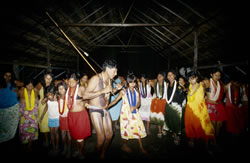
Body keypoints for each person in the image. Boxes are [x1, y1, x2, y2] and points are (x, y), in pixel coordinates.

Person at [82, 59, 122, 159]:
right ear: (108, 69)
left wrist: (116, 89)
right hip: (95, 109)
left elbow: (110, 91)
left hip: (105, 109)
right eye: (115, 71)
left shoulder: (109, 80)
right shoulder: (95, 79)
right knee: (101, 137)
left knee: (110, 135)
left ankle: (102, 153)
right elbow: (85, 95)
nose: (116, 74)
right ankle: (96, 153)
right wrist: (102, 90)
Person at [107, 73, 147, 153]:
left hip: (135, 113)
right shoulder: (123, 91)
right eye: (131, 82)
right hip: (125, 114)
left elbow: (139, 102)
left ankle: (141, 147)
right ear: (127, 82)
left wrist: (135, 107)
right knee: (126, 129)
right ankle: (124, 145)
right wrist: (106, 107)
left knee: (138, 129)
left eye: (134, 82)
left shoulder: (137, 91)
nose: (132, 84)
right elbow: (115, 101)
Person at [185, 71, 215, 148]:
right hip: (190, 108)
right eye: (189, 79)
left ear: (196, 78)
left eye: (192, 78)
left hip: (200, 108)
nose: (191, 80)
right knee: (190, 124)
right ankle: (192, 138)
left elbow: (209, 88)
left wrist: (207, 96)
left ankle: (206, 140)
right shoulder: (189, 86)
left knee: (204, 124)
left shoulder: (202, 83)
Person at [67, 73, 91, 159]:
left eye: (73, 82)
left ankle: (81, 153)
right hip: (71, 116)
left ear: (77, 81)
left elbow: (88, 98)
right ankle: (78, 150)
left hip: (80, 116)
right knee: (75, 136)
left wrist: (84, 103)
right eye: (69, 82)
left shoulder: (81, 88)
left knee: (80, 137)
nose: (71, 83)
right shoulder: (68, 89)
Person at [164, 69, 186, 145]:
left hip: (176, 107)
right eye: (168, 75)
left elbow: (183, 97)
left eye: (171, 74)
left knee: (176, 122)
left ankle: (177, 136)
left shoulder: (178, 85)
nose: (169, 76)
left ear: (174, 76)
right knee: (171, 120)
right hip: (169, 106)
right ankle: (174, 133)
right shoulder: (167, 85)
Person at [203, 68, 226, 138]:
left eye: (219, 75)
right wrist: (205, 96)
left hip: (219, 105)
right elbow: (203, 88)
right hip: (210, 105)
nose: (217, 77)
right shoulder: (208, 82)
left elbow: (223, 91)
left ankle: (216, 139)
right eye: (215, 75)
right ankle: (211, 140)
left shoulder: (221, 83)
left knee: (219, 123)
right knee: (212, 123)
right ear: (211, 75)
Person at [18, 79, 39, 151]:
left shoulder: (36, 91)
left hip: (33, 116)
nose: (30, 86)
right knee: (24, 131)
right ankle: (24, 146)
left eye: (31, 84)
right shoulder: (21, 91)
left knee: (32, 131)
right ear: (25, 85)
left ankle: (30, 146)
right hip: (24, 117)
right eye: (28, 84)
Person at [0, 71, 19, 143]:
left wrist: (18, 88)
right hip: (1, 109)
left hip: (13, 108)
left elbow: (24, 84)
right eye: (6, 75)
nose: (7, 77)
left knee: (11, 130)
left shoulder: (13, 83)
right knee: (2, 128)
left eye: (9, 76)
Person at [40, 86, 60, 155]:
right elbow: (46, 107)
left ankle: (57, 146)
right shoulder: (47, 100)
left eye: (50, 94)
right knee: (51, 133)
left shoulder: (57, 99)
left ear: (54, 93)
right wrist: (42, 116)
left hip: (57, 118)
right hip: (50, 118)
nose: (49, 96)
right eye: (47, 94)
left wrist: (57, 97)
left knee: (56, 133)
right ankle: (53, 147)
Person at [37, 72, 54, 147]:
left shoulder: (52, 86)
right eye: (47, 78)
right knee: (43, 124)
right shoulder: (40, 85)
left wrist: (46, 98)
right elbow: (34, 91)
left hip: (49, 106)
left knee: (49, 124)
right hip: (41, 106)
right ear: (44, 78)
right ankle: (47, 141)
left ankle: (51, 140)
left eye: (50, 78)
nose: (49, 80)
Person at [150, 72, 167, 138]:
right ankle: (159, 130)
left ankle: (163, 129)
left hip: (164, 102)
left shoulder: (166, 84)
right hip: (156, 102)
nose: (159, 77)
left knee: (163, 117)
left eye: (161, 76)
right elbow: (150, 82)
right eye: (158, 76)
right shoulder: (155, 83)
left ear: (164, 77)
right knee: (158, 117)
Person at [57, 82, 71, 158]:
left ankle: (69, 150)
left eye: (62, 88)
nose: (61, 90)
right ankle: (65, 148)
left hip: (68, 118)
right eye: (59, 88)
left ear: (65, 89)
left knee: (69, 135)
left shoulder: (69, 97)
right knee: (63, 135)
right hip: (61, 118)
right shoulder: (57, 97)